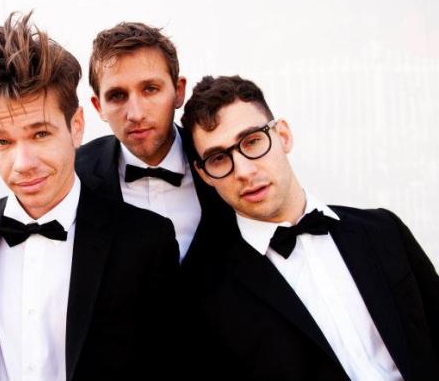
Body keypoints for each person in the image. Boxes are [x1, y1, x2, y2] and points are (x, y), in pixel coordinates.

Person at [0, 12, 180, 381]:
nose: (23, 163)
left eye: (40, 134)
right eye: (2, 141)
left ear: (76, 127)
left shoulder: (146, 241)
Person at [181, 75, 439, 380]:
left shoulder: (384, 230)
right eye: (218, 158)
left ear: (283, 135)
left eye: (252, 141)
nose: (244, 171)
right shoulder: (204, 292)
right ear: (204, 174)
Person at [76, 22, 227, 265]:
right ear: (99, 107)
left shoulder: (222, 159)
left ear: (178, 92)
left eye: (150, 89)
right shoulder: (75, 174)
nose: (136, 114)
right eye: (117, 96)